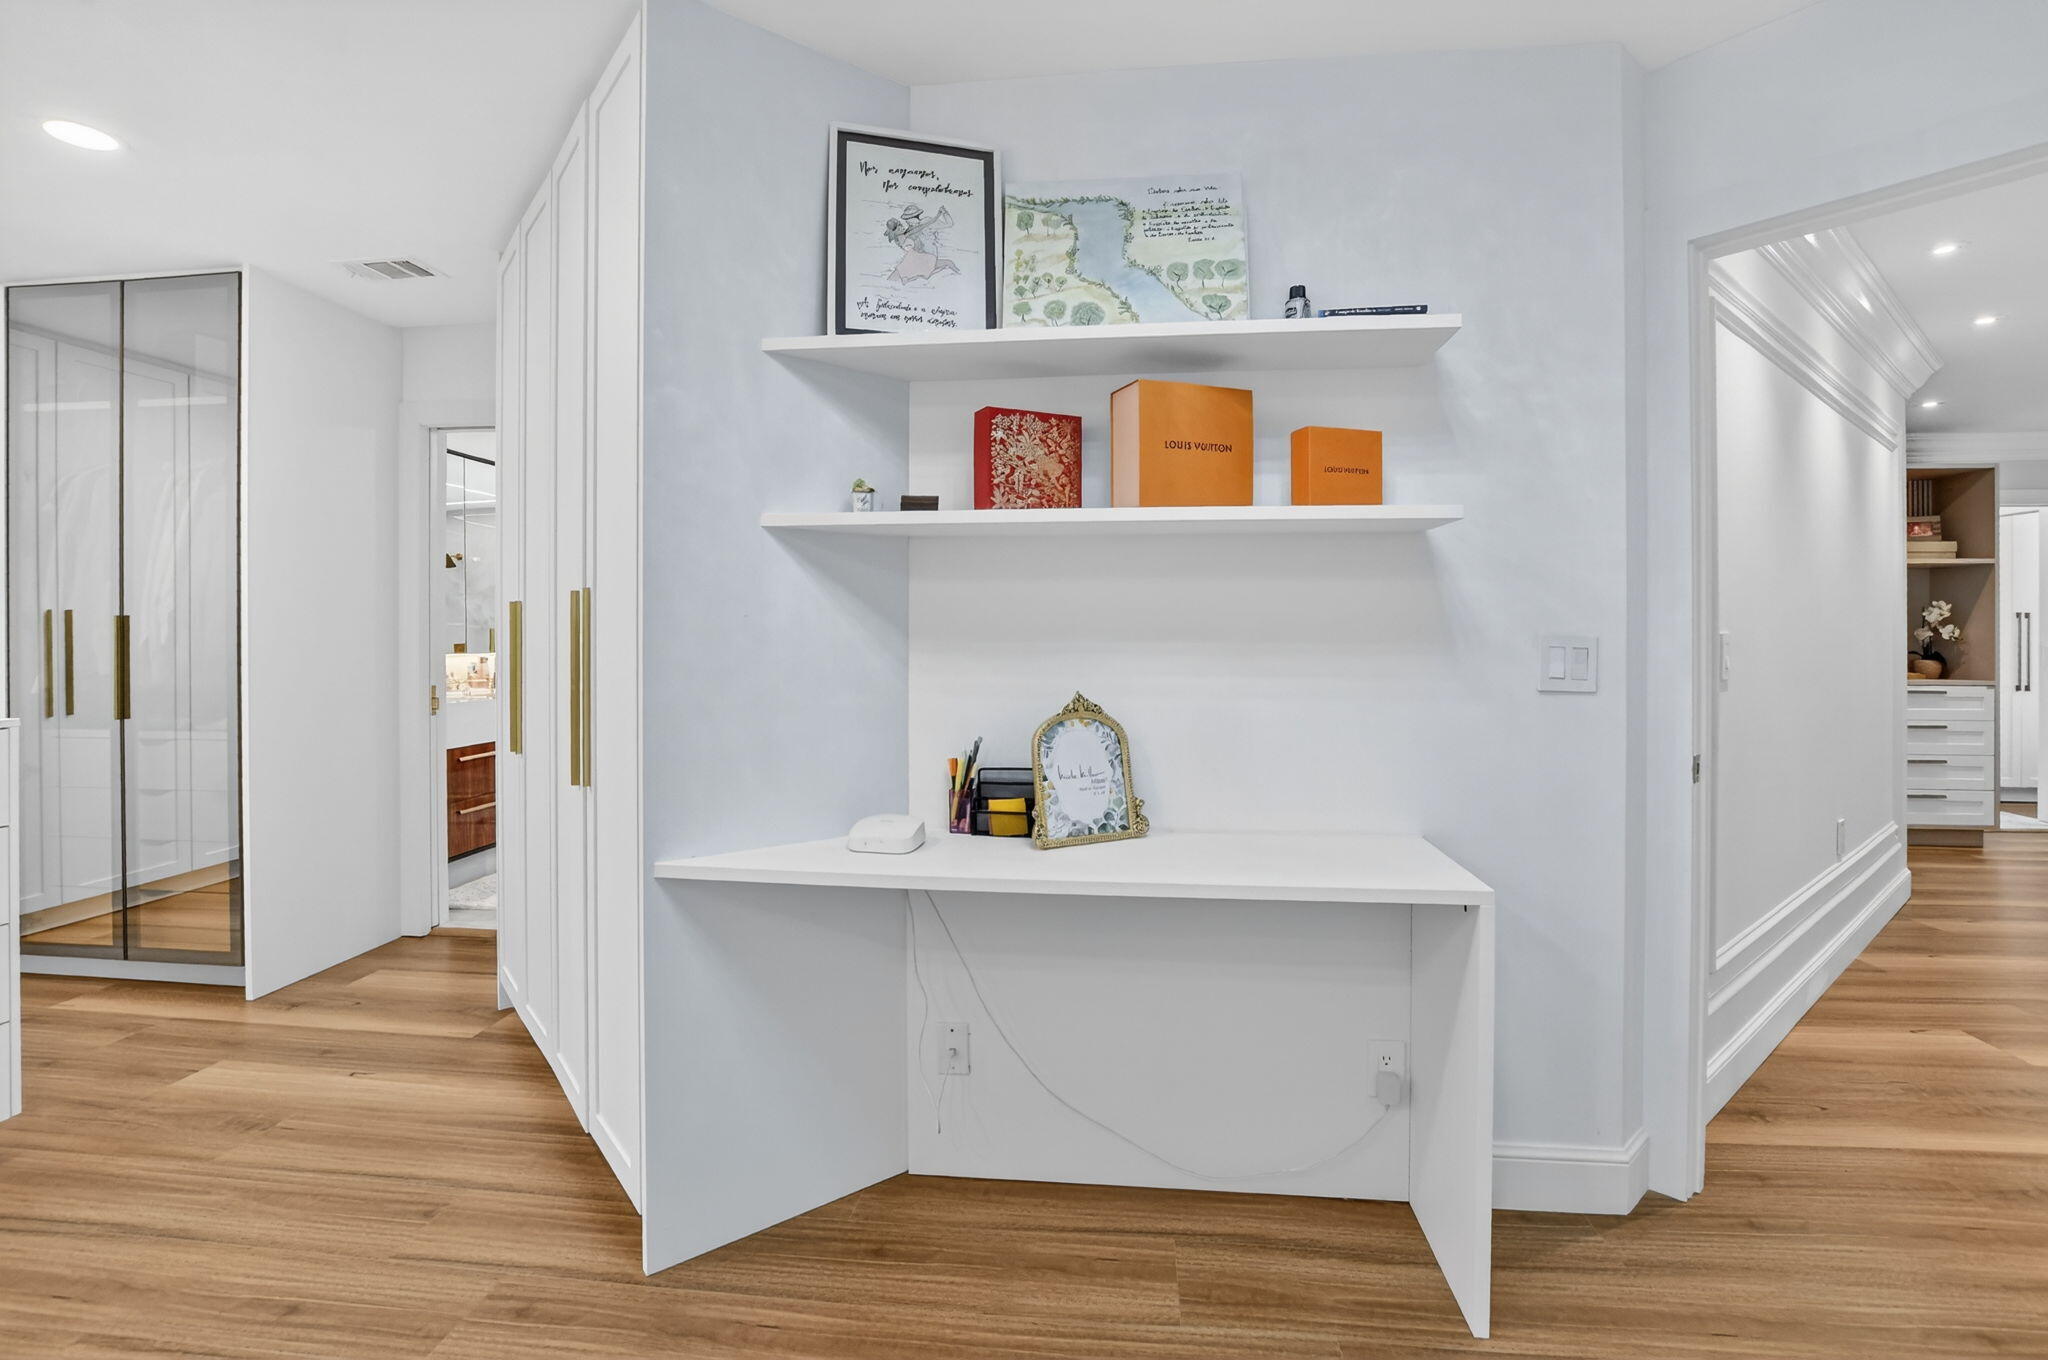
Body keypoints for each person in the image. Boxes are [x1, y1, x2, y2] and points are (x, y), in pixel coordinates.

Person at [885, 203, 960, 285]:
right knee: (899, 272)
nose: (906, 222)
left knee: (902, 271)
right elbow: (905, 241)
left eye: (908, 219)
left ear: (914, 217)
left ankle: (903, 279)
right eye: (905, 219)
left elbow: (949, 224)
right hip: (917, 257)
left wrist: (944, 213)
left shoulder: (926, 221)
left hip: (928, 255)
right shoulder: (909, 229)